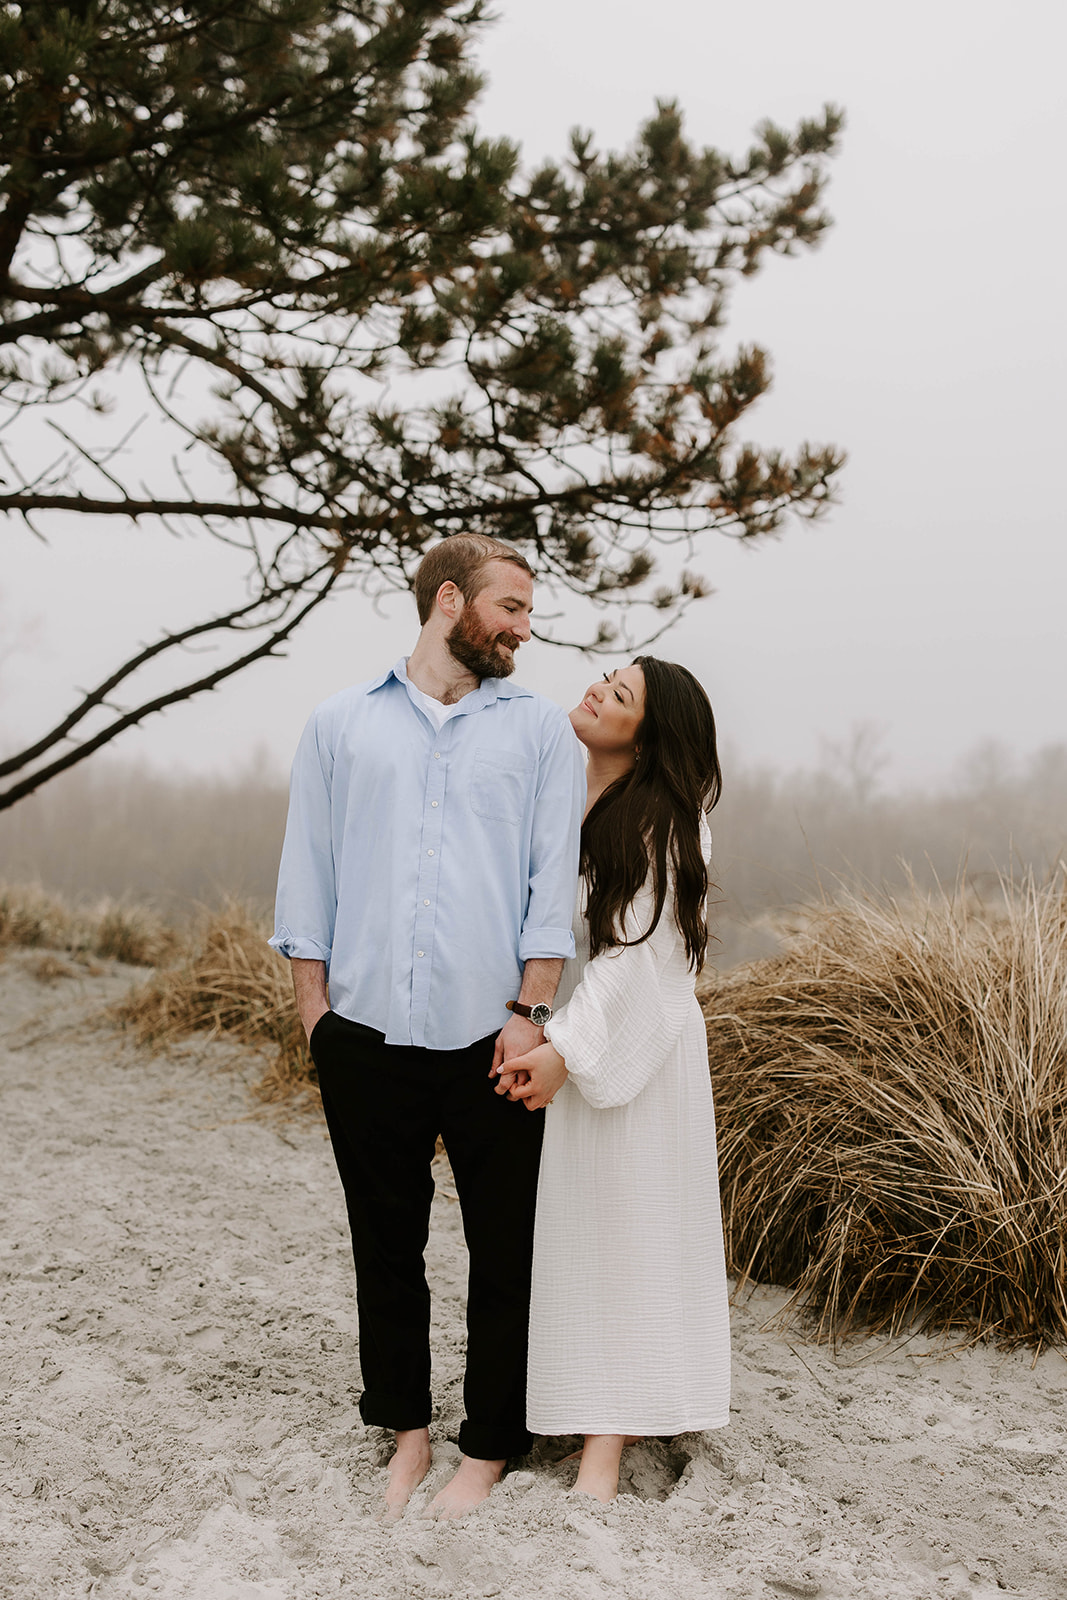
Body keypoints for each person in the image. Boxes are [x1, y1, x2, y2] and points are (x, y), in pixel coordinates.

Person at [269, 535, 585, 1519]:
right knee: (383, 1245)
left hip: (496, 1038)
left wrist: (530, 1012)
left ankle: (488, 1446)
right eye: (511, 608)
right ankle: (406, 1431)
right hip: (362, 1034)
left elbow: (548, 887)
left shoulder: (539, 734)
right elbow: (306, 876)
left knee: (506, 1251)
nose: (524, 630)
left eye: (529, 612)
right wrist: (315, 1018)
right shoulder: (337, 725)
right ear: (448, 602)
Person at [497, 657, 731, 1501]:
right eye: (605, 676)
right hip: (583, 1037)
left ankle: (606, 1446)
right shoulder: (567, 795)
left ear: (647, 734)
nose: (596, 688)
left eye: (619, 695)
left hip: (643, 1049)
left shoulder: (663, 821)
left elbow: (641, 960)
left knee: (629, 1233)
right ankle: (583, 1413)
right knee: (580, 1233)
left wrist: (566, 1049)